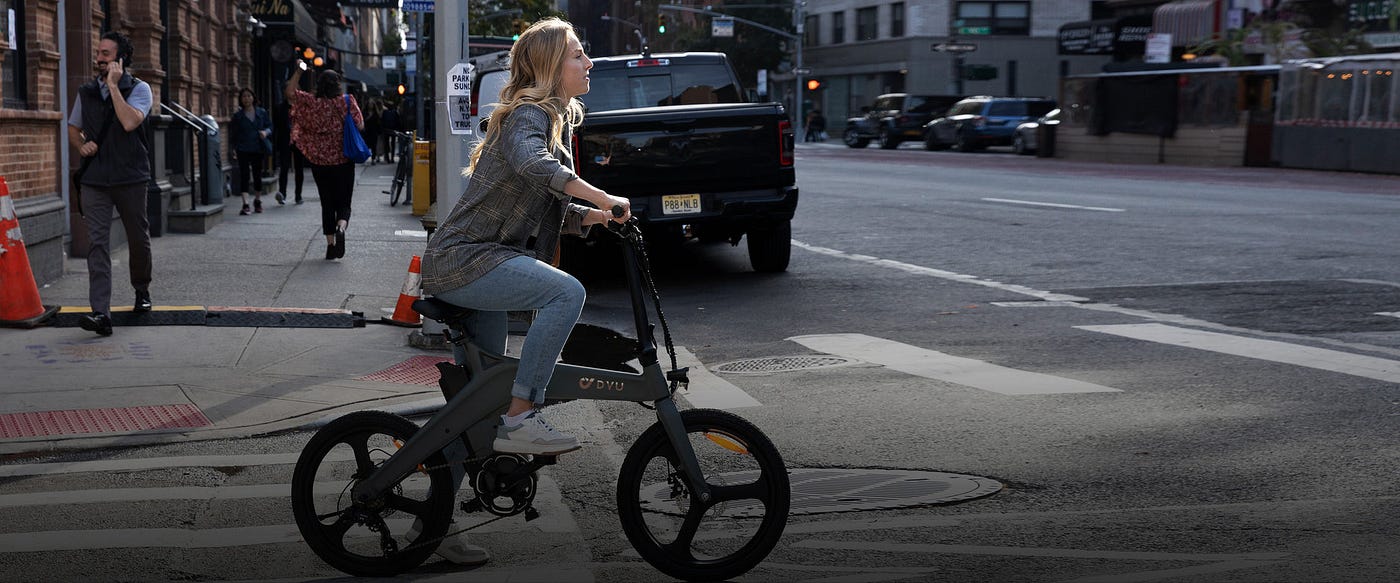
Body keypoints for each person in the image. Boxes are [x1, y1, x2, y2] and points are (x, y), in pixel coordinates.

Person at [423, 17, 630, 456]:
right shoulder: (527, 115)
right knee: (566, 293)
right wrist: (602, 193)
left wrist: (595, 215)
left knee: (478, 401)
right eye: (578, 55)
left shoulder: (552, 121)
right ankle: (522, 417)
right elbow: (533, 164)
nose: (589, 62)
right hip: (467, 259)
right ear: (551, 67)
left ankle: (453, 489)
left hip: (479, 260)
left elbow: (549, 207)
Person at [66, 31, 154, 337]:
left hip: (130, 176)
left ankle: (141, 290)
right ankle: (100, 312)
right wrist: (80, 146)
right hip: (95, 180)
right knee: (97, 244)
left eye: (105, 54)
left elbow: (130, 122)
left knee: (137, 239)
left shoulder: (140, 89)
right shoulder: (86, 92)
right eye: (98, 53)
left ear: (120, 60)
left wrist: (115, 87)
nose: (99, 58)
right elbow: (73, 127)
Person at [283, 65, 363, 260]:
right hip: (343, 161)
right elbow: (360, 124)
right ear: (338, 84)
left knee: (327, 203)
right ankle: (341, 228)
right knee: (344, 202)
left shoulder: (312, 103)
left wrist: (299, 70)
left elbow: (289, 93)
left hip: (320, 162)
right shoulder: (347, 101)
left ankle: (330, 245)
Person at [230, 88, 273, 215]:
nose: (246, 99)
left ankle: (257, 201)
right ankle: (245, 204)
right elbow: (234, 134)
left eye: (249, 96)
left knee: (257, 176)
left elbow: (270, 126)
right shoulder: (238, 116)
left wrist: (265, 132)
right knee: (244, 176)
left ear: (253, 98)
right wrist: (233, 149)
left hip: (257, 148)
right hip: (242, 148)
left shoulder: (262, 112)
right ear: (240, 99)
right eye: (244, 97)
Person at [272, 98, 307, 205]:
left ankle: (298, 195)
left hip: (299, 141)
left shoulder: (302, 107)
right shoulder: (280, 107)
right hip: (284, 140)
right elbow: (276, 126)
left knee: (299, 168)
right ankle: (282, 193)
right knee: (284, 167)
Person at [363, 99, 382, 165]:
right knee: (366, 145)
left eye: (371, 104)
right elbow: (363, 121)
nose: (370, 105)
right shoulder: (364, 112)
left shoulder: (376, 113)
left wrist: (379, 131)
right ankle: (365, 157)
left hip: (374, 131)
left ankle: (373, 159)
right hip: (367, 131)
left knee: (374, 145)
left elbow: (378, 122)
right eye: (369, 104)